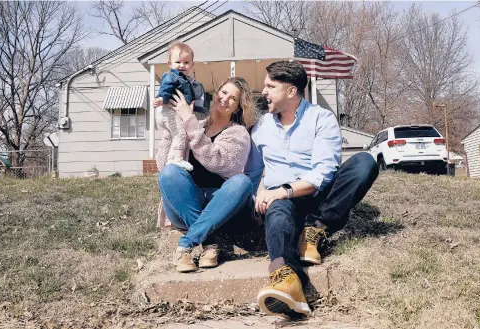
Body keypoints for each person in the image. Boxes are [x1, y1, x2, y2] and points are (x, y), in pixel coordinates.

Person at [248, 61, 379, 317]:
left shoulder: (321, 118)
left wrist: (283, 189)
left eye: (270, 86)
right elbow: (257, 169)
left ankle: (315, 230)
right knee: (277, 212)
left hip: (318, 196)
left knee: (365, 162)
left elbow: (323, 172)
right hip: (281, 202)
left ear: (291, 91)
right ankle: (288, 280)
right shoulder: (262, 126)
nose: (263, 91)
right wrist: (263, 190)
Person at [156, 77, 258, 273]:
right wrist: (173, 128)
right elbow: (163, 164)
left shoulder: (238, 134)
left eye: (233, 98)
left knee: (242, 182)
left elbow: (216, 161)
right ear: (216, 93)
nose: (226, 99)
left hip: (222, 206)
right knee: (169, 172)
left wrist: (188, 121)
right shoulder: (194, 125)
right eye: (224, 92)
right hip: (186, 204)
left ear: (238, 107)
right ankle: (209, 241)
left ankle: (188, 241)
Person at [153, 41, 206, 171]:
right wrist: (161, 98)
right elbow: (166, 87)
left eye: (186, 62)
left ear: (192, 64)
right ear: (169, 63)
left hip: (173, 112)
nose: (182, 65)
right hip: (167, 110)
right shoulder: (171, 76)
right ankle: (176, 160)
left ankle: (171, 160)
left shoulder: (190, 82)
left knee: (177, 134)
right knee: (179, 134)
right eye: (178, 62)